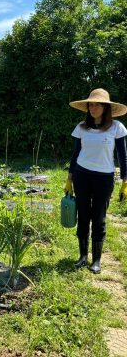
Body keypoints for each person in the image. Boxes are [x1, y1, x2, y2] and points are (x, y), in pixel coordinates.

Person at [65, 88, 127, 274]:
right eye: (90, 104)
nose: (92, 107)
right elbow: (75, 154)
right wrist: (69, 178)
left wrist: (126, 181)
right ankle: (83, 256)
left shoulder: (117, 127)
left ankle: (97, 260)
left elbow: (122, 156)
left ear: (105, 107)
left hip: (104, 178)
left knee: (98, 218)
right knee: (83, 216)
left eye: (97, 104)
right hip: (81, 175)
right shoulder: (81, 128)